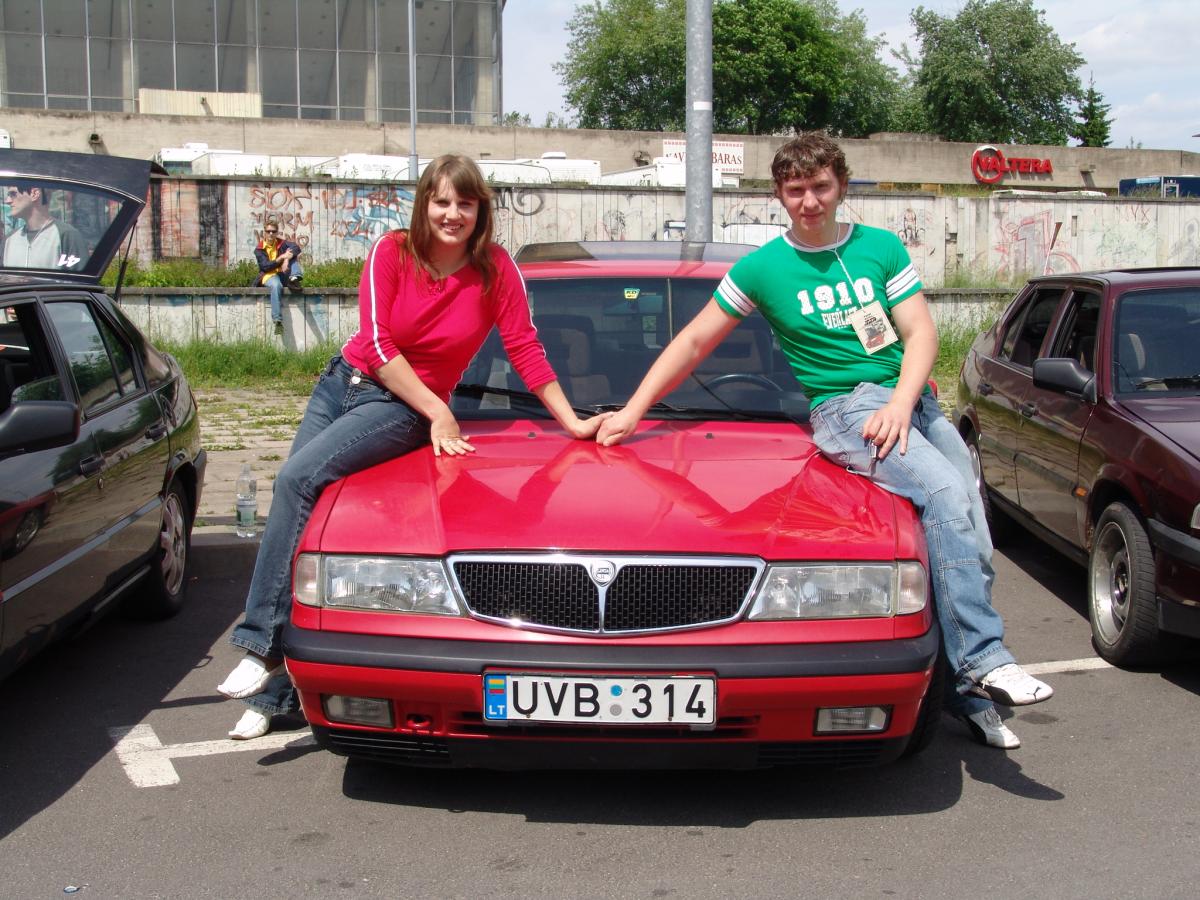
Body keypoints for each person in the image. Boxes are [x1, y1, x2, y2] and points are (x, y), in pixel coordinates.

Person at [597, 132, 1052, 750]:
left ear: (841, 185)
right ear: (779, 195)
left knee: (974, 534)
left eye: (820, 187)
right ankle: (984, 659)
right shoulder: (763, 268)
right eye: (795, 190)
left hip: (910, 404)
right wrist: (633, 410)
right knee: (944, 496)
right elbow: (695, 341)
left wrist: (902, 403)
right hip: (846, 410)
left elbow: (920, 334)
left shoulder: (879, 248)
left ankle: (967, 695)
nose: (808, 201)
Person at [218, 154, 608, 739]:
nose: (453, 214)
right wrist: (442, 412)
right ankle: (276, 691)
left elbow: (524, 347)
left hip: (399, 408)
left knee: (297, 480)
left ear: (480, 211)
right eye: (442, 201)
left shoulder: (496, 269)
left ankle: (262, 646)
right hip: (342, 384)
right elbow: (376, 344)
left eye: (465, 203)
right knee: (299, 506)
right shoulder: (392, 251)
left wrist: (572, 421)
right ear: (425, 203)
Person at [3, 183, 87, 271]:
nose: (7, 201)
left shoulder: (67, 236)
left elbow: (80, 278)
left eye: (13, 194)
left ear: (34, 194)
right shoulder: (9, 240)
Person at [253, 218, 303, 335]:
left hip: (282, 273)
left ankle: (295, 277)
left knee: (292, 255)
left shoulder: (281, 243)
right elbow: (265, 266)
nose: (271, 233)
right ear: (264, 232)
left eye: (273, 231)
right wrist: (281, 258)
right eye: (268, 231)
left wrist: (287, 258)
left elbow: (296, 248)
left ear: (276, 232)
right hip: (269, 275)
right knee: (276, 285)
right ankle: (277, 321)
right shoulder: (259, 249)